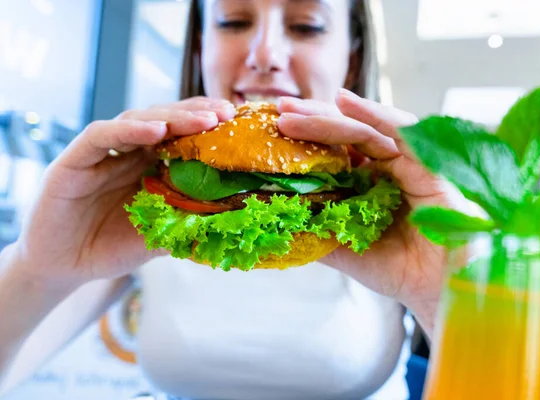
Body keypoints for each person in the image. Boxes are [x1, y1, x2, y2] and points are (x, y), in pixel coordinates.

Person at [0, 0, 467, 398]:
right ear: (201, 47)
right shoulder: (146, 203)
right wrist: (34, 267)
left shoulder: (402, 207)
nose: (265, 54)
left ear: (351, 55)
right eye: (233, 21)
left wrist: (444, 297)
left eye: (306, 25)